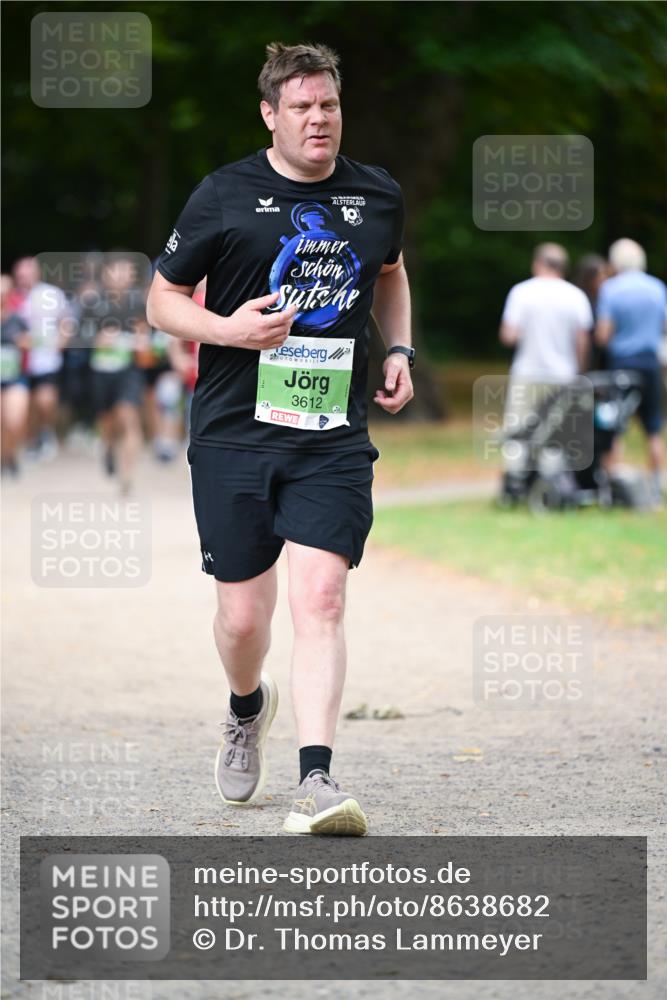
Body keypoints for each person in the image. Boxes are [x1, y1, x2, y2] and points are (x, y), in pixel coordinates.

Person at [147, 41, 413, 836]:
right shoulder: (223, 195)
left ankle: (317, 779)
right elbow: (162, 302)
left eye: (327, 104)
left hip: (330, 434)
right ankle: (243, 708)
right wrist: (225, 329)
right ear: (270, 115)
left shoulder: (375, 194)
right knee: (242, 621)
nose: (317, 119)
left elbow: (391, 272)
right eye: (300, 107)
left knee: (321, 598)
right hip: (233, 432)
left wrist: (396, 348)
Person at [498, 243, 594, 484]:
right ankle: (551, 480)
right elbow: (582, 341)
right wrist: (580, 371)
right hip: (562, 375)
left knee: (519, 425)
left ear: (538, 263)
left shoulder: (522, 292)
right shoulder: (576, 296)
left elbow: (508, 336)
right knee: (557, 428)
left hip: (528, 372)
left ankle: (517, 478)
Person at [595, 238, 667, 504]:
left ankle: (613, 486)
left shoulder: (611, 290)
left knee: (614, 427)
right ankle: (657, 487)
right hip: (650, 364)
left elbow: (603, 334)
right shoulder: (657, 288)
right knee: (654, 429)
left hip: (622, 366)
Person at [0, 274, 30, 476]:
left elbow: (31, 342)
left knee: (14, 421)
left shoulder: (18, 319)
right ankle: (4, 458)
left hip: (14, 377)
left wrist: (24, 342)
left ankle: (10, 453)